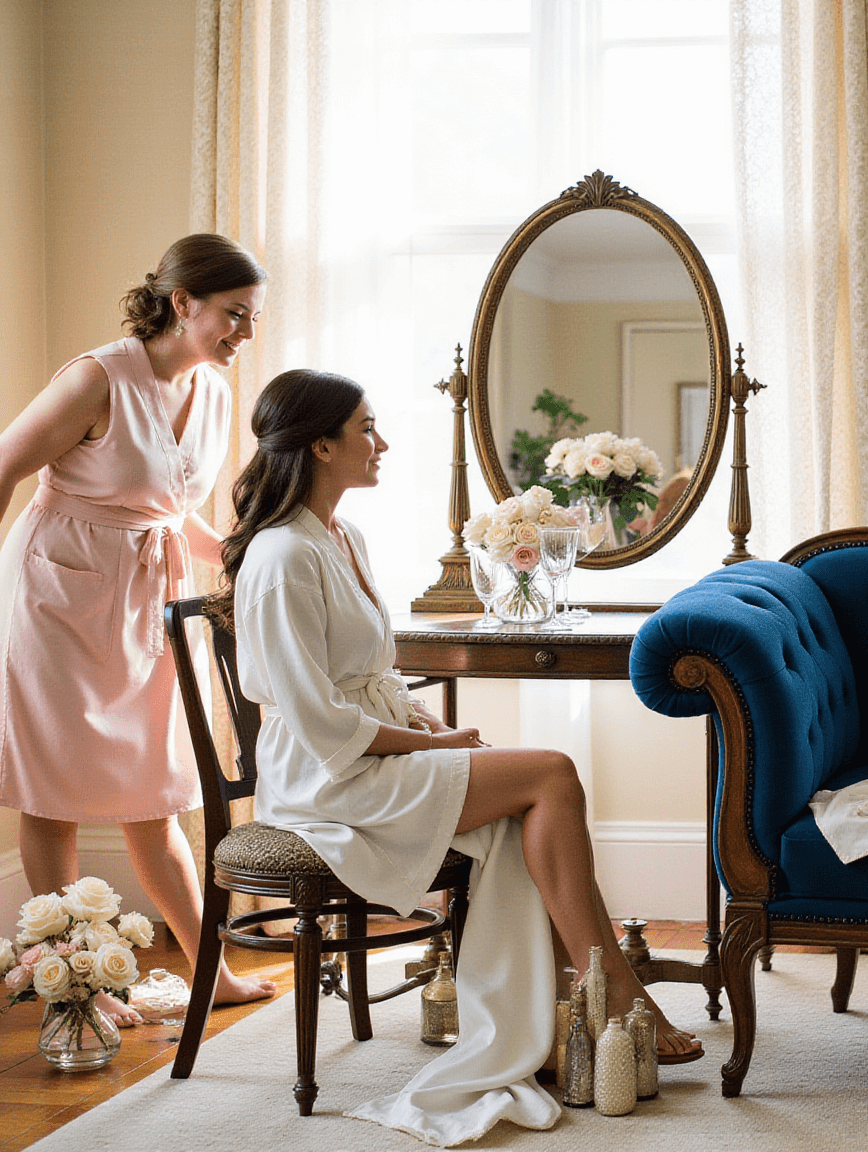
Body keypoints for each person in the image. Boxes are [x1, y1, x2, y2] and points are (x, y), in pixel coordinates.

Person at [218, 369, 701, 1145]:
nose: (382, 442)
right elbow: (316, 717)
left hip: (370, 758)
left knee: (529, 803)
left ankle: (562, 1012)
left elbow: (368, 677)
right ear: (320, 444)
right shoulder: (280, 557)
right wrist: (428, 741)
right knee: (549, 773)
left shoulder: (344, 536)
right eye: (366, 428)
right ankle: (611, 987)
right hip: (327, 780)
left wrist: (421, 724)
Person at [0, 234, 276, 1024]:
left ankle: (209, 969)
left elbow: (166, 509)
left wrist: (235, 558)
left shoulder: (214, 393)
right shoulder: (96, 379)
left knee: (154, 792)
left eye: (252, 319)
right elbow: (5, 464)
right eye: (233, 316)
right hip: (56, 594)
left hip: (149, 597)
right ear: (182, 302)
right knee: (50, 794)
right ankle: (72, 987)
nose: (243, 334)